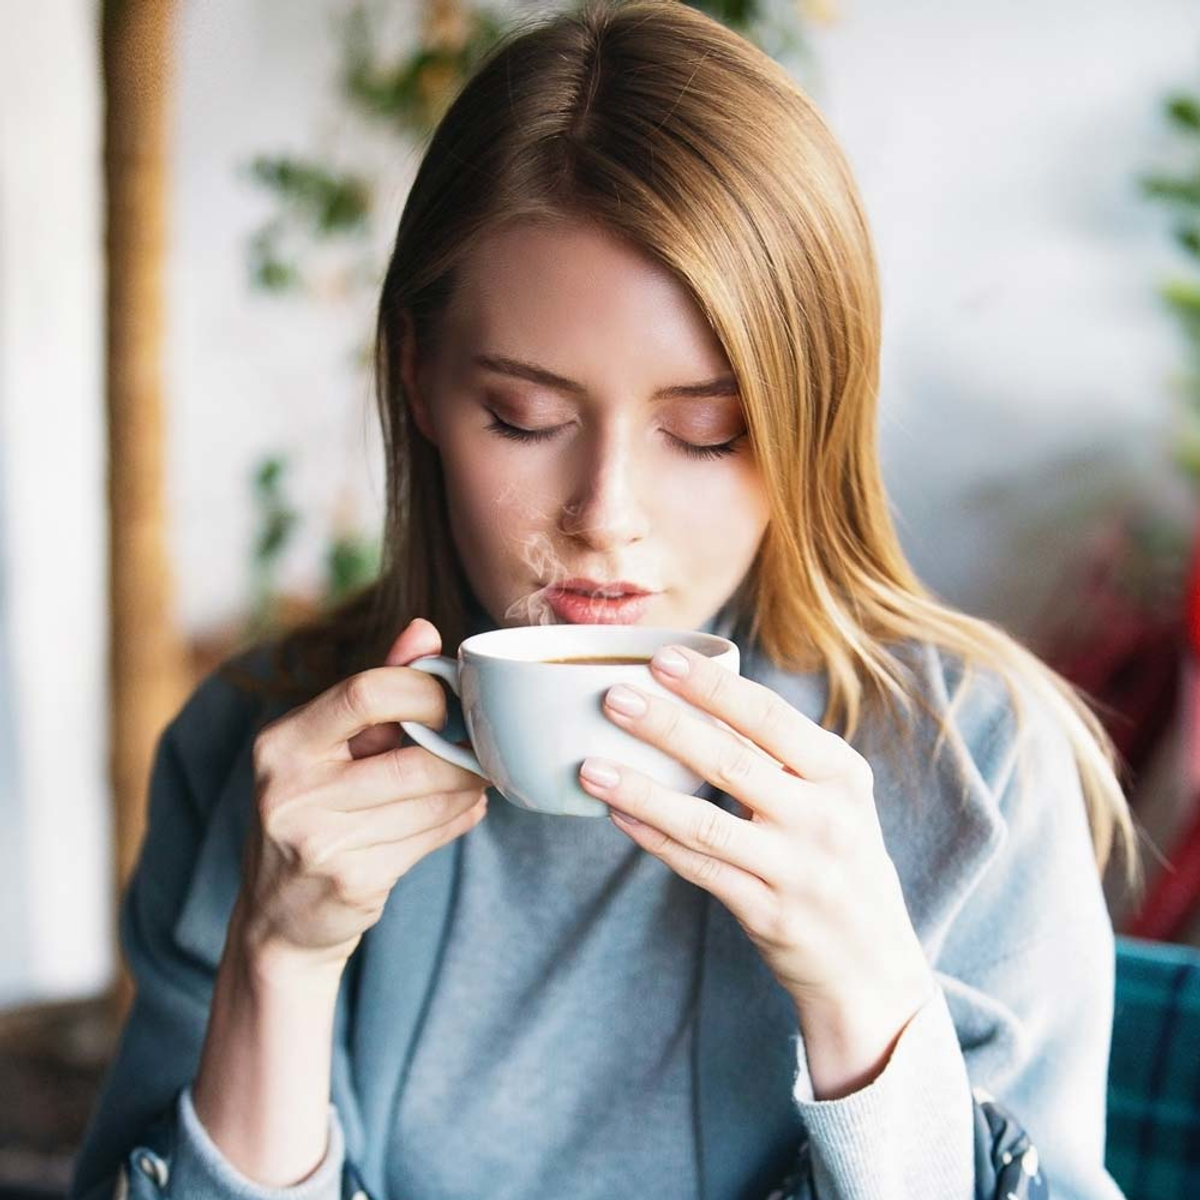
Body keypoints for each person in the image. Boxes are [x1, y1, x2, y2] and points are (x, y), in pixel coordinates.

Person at [71, 1, 1141, 1197]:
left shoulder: (973, 761)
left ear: (809, 422)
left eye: (708, 432)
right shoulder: (253, 757)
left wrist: (869, 1013)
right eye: (525, 419)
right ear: (417, 376)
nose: (606, 513)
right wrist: (274, 961)